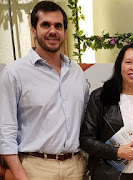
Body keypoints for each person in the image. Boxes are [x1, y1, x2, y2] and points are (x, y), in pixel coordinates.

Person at [0, 1, 89, 180]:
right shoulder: (14, 73)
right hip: (36, 168)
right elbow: (6, 131)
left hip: (75, 167)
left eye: (58, 26)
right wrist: (20, 176)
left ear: (64, 32)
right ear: (33, 30)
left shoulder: (76, 72)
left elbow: (86, 120)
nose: (53, 31)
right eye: (45, 25)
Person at [80, 44, 133, 180]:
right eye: (128, 62)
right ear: (119, 66)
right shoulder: (101, 97)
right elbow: (86, 140)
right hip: (109, 174)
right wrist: (117, 152)